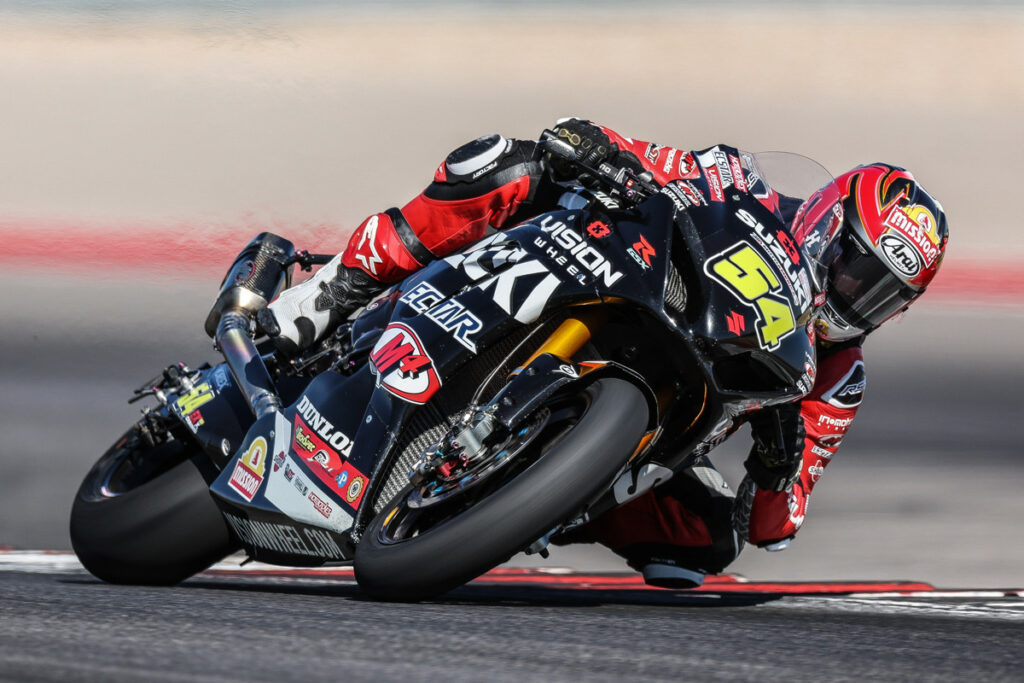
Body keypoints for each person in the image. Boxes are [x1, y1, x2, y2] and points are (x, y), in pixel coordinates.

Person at [258, 119, 949, 588]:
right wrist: (594, 146)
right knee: (508, 161)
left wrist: (777, 457)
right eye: (857, 272)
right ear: (828, 224)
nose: (856, 300)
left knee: (709, 541)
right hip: (602, 277)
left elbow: (776, 523)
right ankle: (333, 290)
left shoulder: (838, 378)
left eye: (882, 298)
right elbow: (629, 150)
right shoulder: (738, 178)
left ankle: (528, 501)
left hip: (661, 419)